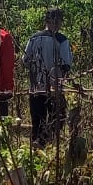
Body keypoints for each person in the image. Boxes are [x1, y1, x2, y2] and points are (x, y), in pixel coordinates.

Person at [23, 8, 73, 148]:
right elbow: (66, 64)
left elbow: (25, 60)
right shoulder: (61, 40)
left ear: (46, 21)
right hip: (54, 88)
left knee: (37, 122)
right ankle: (45, 143)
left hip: (35, 88)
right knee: (58, 118)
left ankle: (36, 148)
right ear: (60, 22)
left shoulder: (33, 38)